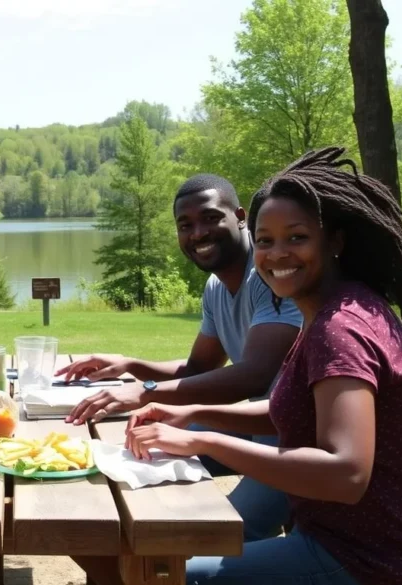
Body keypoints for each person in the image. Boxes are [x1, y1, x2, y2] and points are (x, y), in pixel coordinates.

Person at [124, 147, 402, 585]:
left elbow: (346, 474)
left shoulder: (342, 329)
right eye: (265, 241)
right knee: (152, 561)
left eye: (296, 237)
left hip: (373, 562)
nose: (277, 254)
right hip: (342, 543)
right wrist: (191, 416)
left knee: (165, 573)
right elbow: (289, 409)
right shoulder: (330, 311)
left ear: (333, 240)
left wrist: (210, 444)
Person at [58, 173, 303, 541]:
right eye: (184, 225)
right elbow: (199, 369)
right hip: (253, 423)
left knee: (213, 539)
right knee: (130, 452)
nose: (198, 233)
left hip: (293, 441)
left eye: (209, 218)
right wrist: (130, 365)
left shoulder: (271, 273)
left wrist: (146, 392)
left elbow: (254, 375)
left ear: (240, 216)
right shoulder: (217, 286)